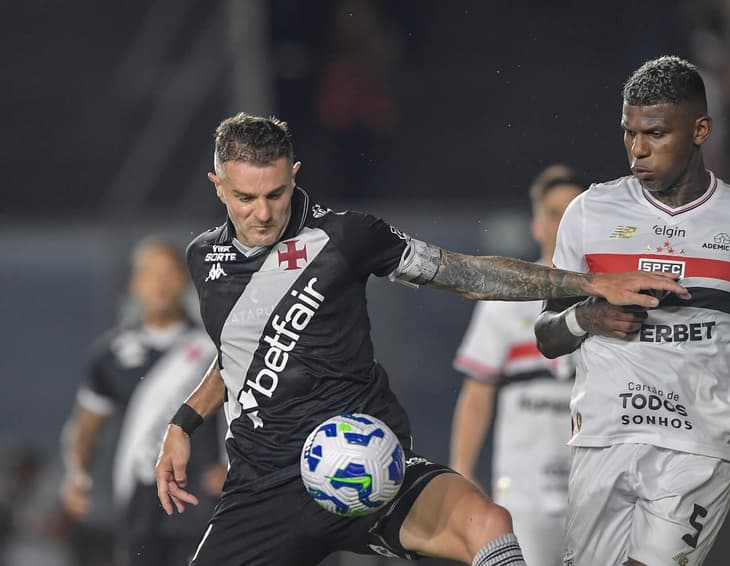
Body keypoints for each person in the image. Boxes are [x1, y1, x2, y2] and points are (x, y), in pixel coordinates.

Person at [153, 112, 688, 566]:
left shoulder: (346, 237)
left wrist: (589, 282)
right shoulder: (204, 258)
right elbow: (238, 356)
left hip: (371, 468)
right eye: (245, 197)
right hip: (263, 486)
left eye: (276, 192)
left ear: (294, 175)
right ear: (217, 185)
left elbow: (466, 274)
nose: (264, 212)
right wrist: (184, 421)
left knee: (487, 521)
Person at [534, 55, 730, 566]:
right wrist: (588, 318)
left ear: (700, 130)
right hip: (603, 438)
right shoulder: (588, 213)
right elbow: (547, 334)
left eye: (655, 133)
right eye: (629, 132)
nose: (638, 150)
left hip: (697, 447)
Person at [449, 165, 585, 566]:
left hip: (595, 487)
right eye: (554, 212)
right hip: (524, 493)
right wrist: (461, 471)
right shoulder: (504, 301)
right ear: (536, 224)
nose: (563, 223)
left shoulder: (614, 300)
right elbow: (477, 392)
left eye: (574, 211)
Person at [61, 238, 224, 566]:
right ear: (136, 283)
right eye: (150, 273)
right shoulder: (112, 354)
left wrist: (232, 467)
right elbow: (86, 426)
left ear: (183, 278)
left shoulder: (213, 346)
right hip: (139, 505)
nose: (160, 283)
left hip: (203, 502)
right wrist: (76, 473)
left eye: (168, 272)